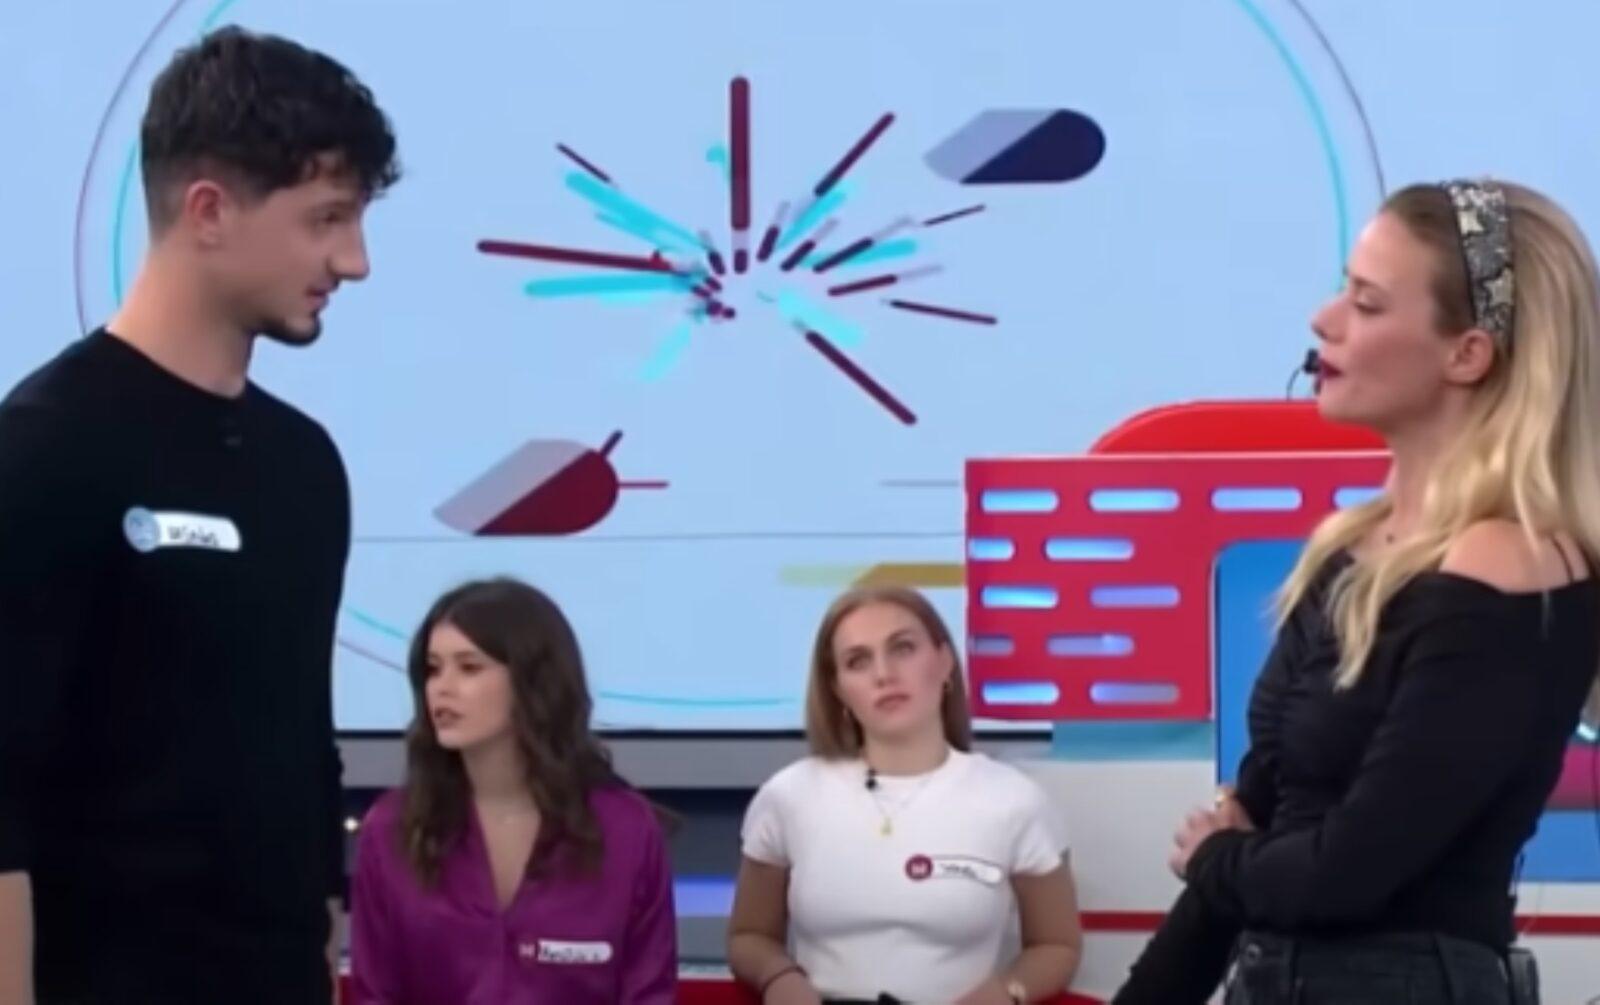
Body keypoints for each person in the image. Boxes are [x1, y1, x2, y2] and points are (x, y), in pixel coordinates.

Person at [1113, 179, 1600, 1005]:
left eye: (1367, 303)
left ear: (1467, 353)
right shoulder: (1349, 550)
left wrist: (1217, 858)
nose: (1324, 319)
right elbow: (1266, 816)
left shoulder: (1511, 564)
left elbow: (1346, 871)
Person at [0, 25, 398, 1005]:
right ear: (209, 210)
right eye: (327, 219)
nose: (354, 261)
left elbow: (305, 754)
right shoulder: (45, 446)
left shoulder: (306, 469)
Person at [728, 585, 1083, 1004]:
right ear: (838, 689)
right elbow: (748, 936)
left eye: (903, 649)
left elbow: (1057, 945)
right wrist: (778, 977)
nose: (883, 674)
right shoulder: (788, 796)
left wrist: (1005, 992)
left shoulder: (1015, 801)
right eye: (858, 661)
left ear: (945, 661)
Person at [349, 578, 677, 1004]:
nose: (442, 688)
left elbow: (648, 995)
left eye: (469, 667)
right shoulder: (392, 829)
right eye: (432, 669)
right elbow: (375, 994)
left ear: (531, 681)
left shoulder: (626, 830)